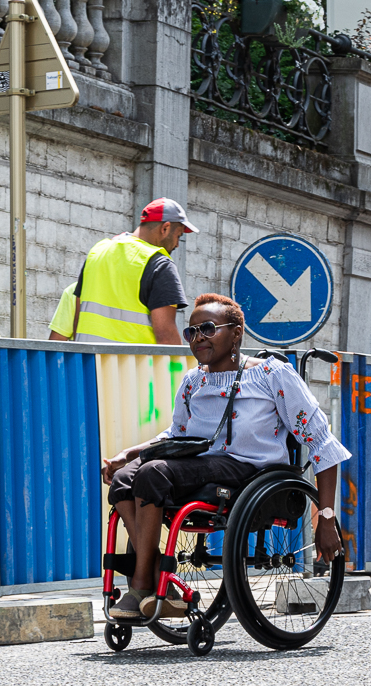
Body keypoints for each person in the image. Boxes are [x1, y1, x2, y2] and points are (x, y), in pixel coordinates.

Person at [99, 293, 349, 620]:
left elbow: (321, 442)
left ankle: (143, 583)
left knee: (152, 473)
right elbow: (175, 435)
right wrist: (127, 455)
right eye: (191, 332)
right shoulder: (193, 382)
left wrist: (326, 518)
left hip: (249, 472)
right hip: (197, 466)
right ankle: (160, 576)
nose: (198, 337)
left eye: (207, 328)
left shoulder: (272, 375)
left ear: (236, 333)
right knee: (123, 479)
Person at [48, 198, 195, 345]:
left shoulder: (97, 252)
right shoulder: (159, 263)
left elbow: (78, 320)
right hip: (132, 360)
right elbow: (166, 337)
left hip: (90, 358)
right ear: (165, 228)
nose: (177, 244)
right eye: (178, 236)